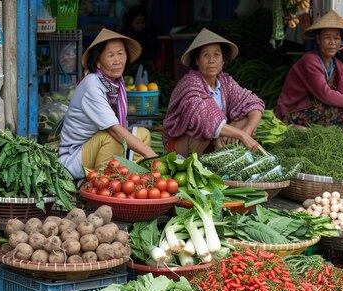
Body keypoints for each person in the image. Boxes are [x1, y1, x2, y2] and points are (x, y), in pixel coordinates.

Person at [58, 28, 157, 180]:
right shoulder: (92, 84)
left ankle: (135, 179)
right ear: (97, 62)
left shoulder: (116, 84)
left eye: (121, 54)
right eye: (111, 55)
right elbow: (115, 130)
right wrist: (152, 155)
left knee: (142, 133)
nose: (117, 60)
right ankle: (102, 182)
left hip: (95, 146)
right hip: (74, 158)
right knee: (113, 137)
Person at [163, 28, 265, 157]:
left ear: (223, 60)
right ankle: (202, 162)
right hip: (183, 145)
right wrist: (242, 135)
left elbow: (254, 103)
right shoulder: (190, 84)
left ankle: (225, 157)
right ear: (197, 61)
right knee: (204, 130)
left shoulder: (225, 81)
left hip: (212, 142)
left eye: (217, 55)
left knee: (245, 120)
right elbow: (205, 118)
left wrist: (248, 130)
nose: (212, 60)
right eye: (206, 55)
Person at [274, 11, 343, 131]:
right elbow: (325, 94)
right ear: (318, 40)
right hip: (293, 110)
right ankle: (292, 127)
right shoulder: (310, 61)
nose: (332, 43)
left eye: (336, 38)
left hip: (315, 107)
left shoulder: (338, 64)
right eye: (327, 38)